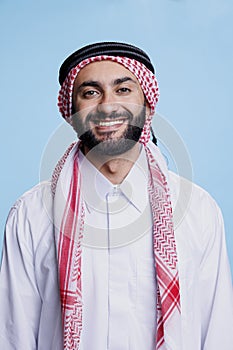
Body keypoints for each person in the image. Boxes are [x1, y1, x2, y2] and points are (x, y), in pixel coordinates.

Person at [0, 42, 233, 350]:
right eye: (91, 93)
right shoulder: (32, 214)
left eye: (123, 90)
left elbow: (217, 333)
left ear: (148, 104)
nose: (108, 106)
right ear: (70, 114)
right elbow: (13, 337)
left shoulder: (198, 211)